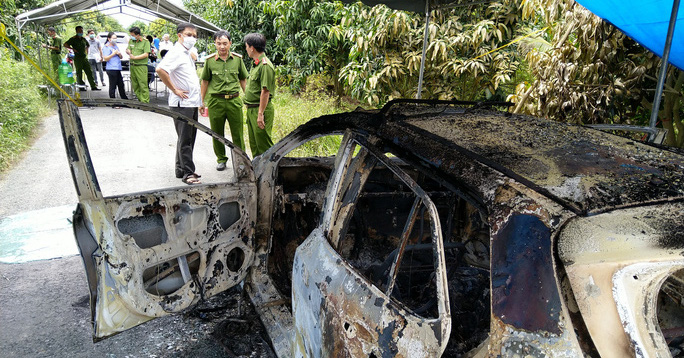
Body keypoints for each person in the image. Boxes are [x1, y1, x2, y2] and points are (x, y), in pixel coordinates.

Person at [156, 22, 202, 185]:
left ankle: (180, 169)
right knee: (186, 139)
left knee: (186, 137)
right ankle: (188, 173)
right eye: (189, 35)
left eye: (194, 36)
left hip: (190, 102)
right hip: (182, 103)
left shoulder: (186, 53)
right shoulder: (176, 52)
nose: (192, 38)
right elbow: (161, 70)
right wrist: (175, 89)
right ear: (180, 35)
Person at [200, 30, 248, 170]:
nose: (222, 47)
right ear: (215, 44)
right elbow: (205, 82)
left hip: (234, 101)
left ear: (230, 44)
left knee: (237, 133)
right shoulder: (209, 62)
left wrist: (249, 98)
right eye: (219, 43)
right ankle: (221, 159)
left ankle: (241, 160)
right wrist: (201, 101)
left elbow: (243, 80)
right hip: (216, 102)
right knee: (217, 132)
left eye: (225, 43)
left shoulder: (237, 60)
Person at [243, 33, 276, 157]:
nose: (246, 49)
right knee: (254, 144)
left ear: (252, 48)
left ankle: (270, 172)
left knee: (263, 144)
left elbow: (265, 91)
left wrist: (260, 114)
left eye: (246, 46)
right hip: (252, 109)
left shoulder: (265, 65)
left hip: (260, 109)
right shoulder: (255, 63)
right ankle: (257, 171)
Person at [64, 26, 100, 90]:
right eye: (80, 31)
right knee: (79, 73)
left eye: (82, 31)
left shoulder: (83, 39)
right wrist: (72, 49)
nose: (81, 32)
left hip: (84, 57)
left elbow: (87, 45)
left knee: (89, 71)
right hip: (78, 58)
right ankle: (81, 86)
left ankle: (93, 86)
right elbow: (65, 44)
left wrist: (86, 51)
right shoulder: (73, 39)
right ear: (76, 31)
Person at [126, 26, 150, 103]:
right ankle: (140, 100)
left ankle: (145, 102)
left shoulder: (145, 42)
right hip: (132, 65)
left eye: (133, 35)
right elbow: (128, 48)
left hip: (141, 66)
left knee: (143, 84)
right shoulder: (131, 41)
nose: (131, 37)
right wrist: (128, 51)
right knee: (135, 85)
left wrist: (135, 57)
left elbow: (146, 54)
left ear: (138, 35)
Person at [102, 32, 128, 101]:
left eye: (116, 38)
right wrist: (113, 54)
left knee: (121, 84)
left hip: (117, 68)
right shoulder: (106, 47)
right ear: (109, 39)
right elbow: (106, 58)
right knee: (113, 85)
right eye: (113, 38)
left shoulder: (115, 46)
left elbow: (121, 57)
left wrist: (119, 54)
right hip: (111, 68)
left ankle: (124, 99)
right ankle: (113, 101)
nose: (115, 40)